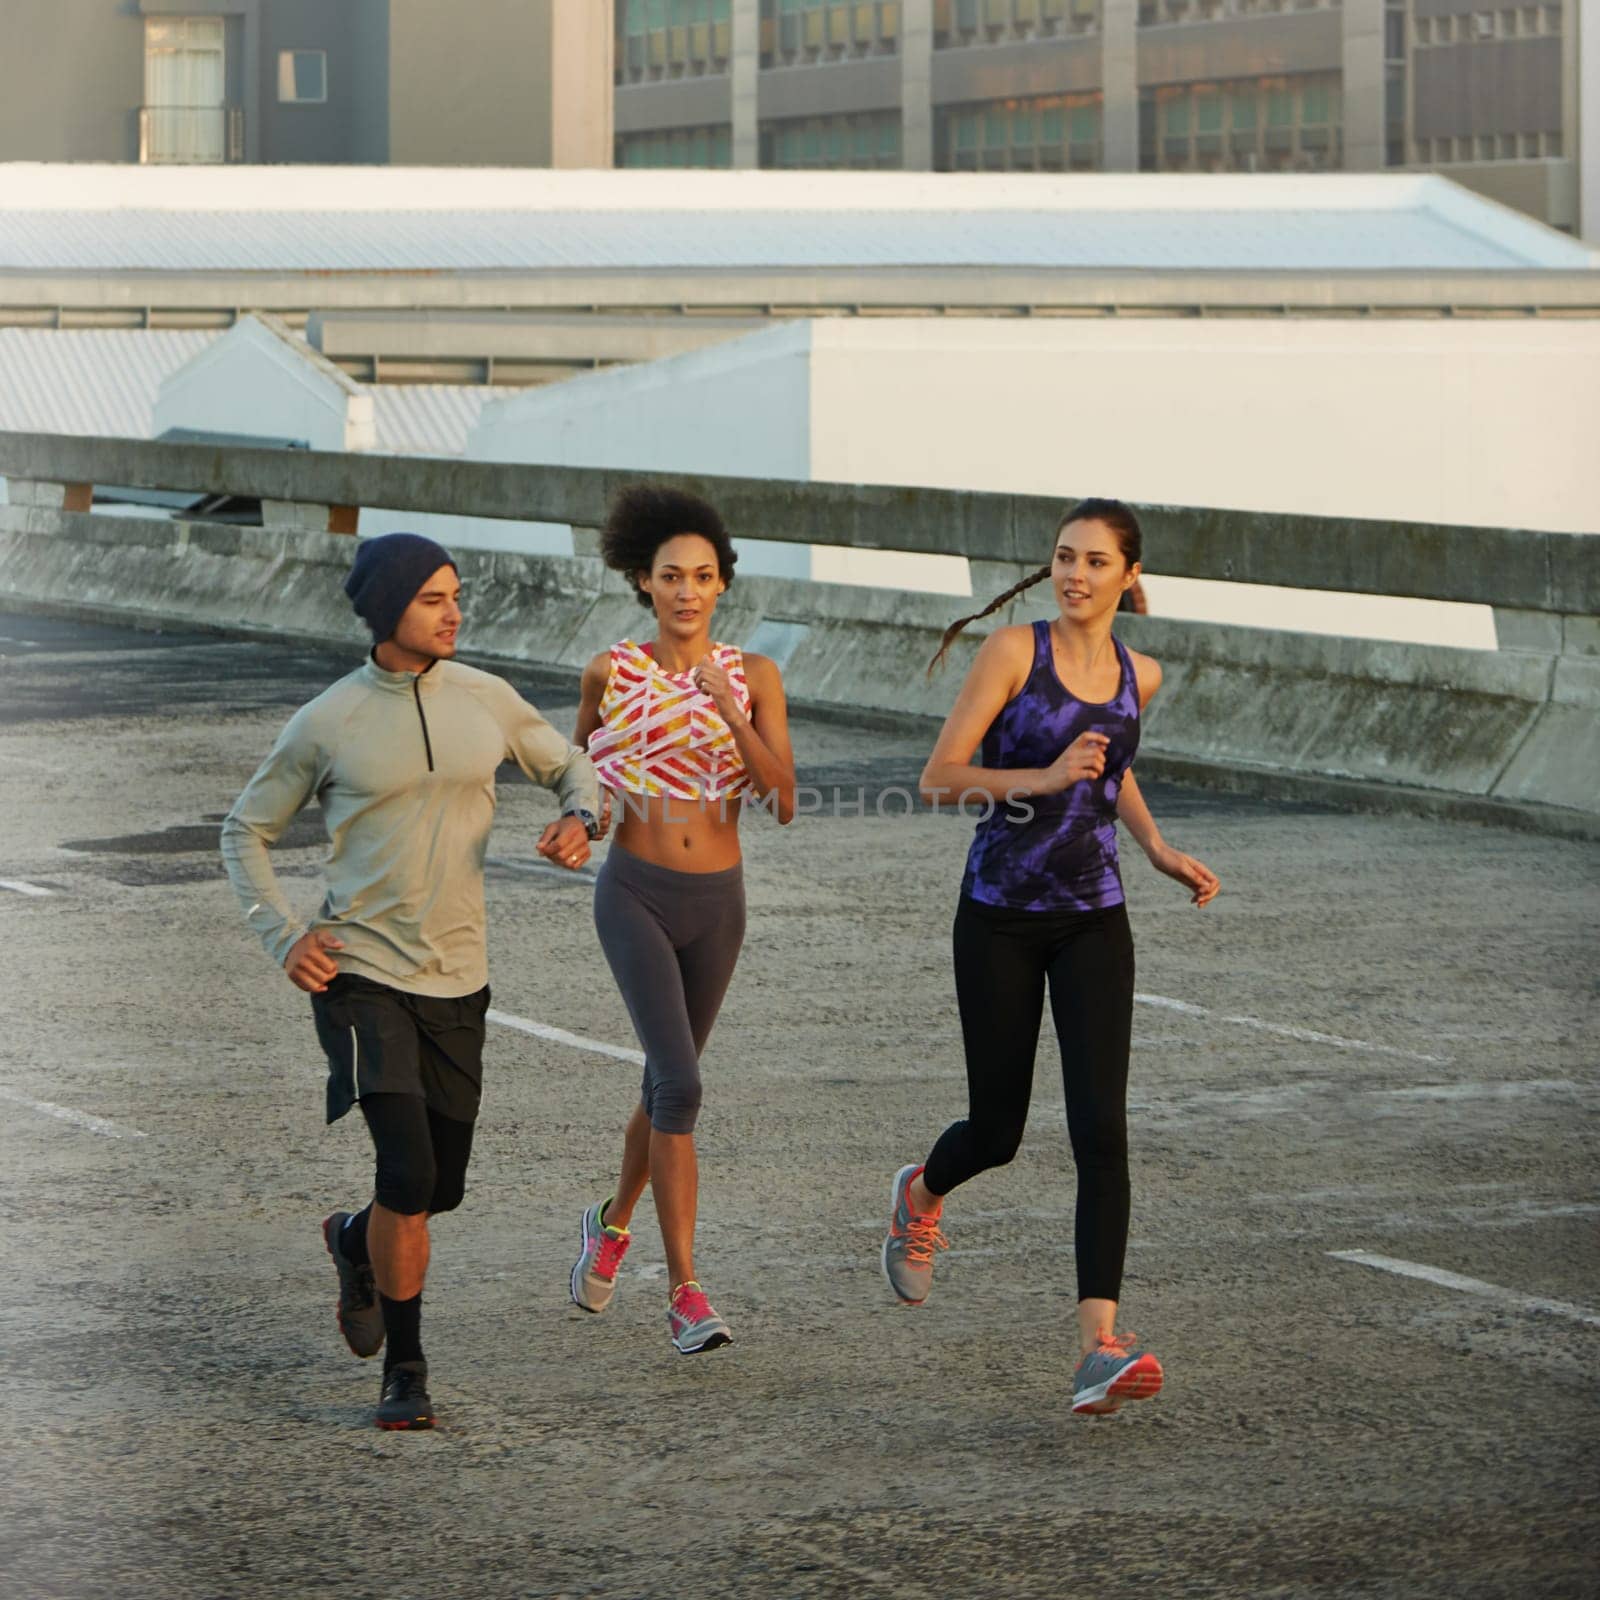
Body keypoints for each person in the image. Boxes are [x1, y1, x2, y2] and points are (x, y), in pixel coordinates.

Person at [220, 533, 600, 1430]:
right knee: (407, 1165)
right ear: (389, 609)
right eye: (433, 598)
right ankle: (408, 1368)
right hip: (359, 974)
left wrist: (582, 817)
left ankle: (354, 1239)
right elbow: (245, 831)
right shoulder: (329, 719)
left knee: (437, 1189)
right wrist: (283, 938)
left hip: (459, 976)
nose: (454, 611)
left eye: (456, 595)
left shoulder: (488, 699)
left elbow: (572, 764)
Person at [880, 498, 1220, 1417]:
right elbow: (939, 776)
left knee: (1101, 1135)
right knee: (999, 1132)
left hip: (1092, 921)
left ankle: (1098, 1347)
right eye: (1065, 557)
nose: (1076, 573)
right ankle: (921, 1191)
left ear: (1128, 576)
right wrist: (1039, 775)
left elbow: (1110, 770)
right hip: (997, 917)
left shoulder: (1138, 673)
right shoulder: (1011, 655)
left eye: (1096, 561)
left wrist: (1152, 848)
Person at [567, 485, 796, 1353]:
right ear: (643, 582)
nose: (688, 591)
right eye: (671, 576)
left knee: (666, 1085)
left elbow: (782, 799)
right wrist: (579, 827)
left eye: (704, 576)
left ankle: (609, 1221)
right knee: (683, 1086)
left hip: (719, 905)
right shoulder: (609, 674)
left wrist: (726, 705)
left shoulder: (757, 676)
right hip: (634, 893)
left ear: (722, 585)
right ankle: (686, 1292)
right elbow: (583, 779)